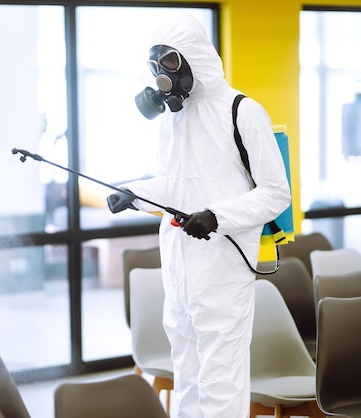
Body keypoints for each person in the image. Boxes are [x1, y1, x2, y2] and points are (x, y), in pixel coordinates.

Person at [106, 15, 291, 418]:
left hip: (223, 271)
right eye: (155, 65)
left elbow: (277, 194)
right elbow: (173, 184)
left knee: (221, 383)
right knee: (186, 376)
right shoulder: (173, 120)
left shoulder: (243, 111)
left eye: (169, 63)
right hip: (178, 269)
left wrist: (217, 216)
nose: (161, 74)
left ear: (194, 57)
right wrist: (134, 194)